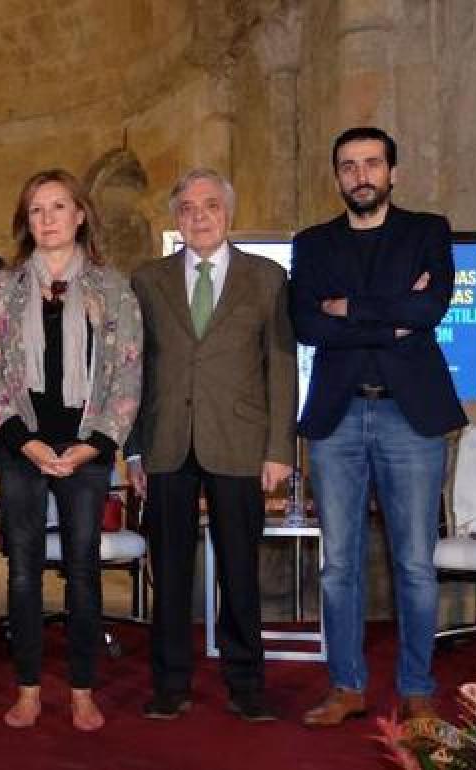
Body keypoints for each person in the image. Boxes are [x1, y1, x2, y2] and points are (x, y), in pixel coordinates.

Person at [291, 127, 466, 726]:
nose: (360, 175)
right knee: (339, 563)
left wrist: (350, 308)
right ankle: (347, 686)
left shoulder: (427, 231)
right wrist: (391, 315)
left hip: (409, 414)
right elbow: (307, 326)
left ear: (393, 172)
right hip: (337, 416)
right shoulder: (312, 243)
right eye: (348, 166)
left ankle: (417, 688)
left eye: (371, 164)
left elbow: (432, 308)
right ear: (336, 176)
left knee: (414, 562)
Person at [0, 170, 142, 731]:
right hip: (22, 449)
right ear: (28, 221)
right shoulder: (3, 287)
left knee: (84, 571)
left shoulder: (112, 287)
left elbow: (127, 377)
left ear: (80, 215)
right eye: (37, 209)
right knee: (21, 573)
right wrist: (27, 443)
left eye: (58, 207)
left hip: (86, 451)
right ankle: (27, 689)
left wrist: (93, 447)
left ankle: (82, 690)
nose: (47, 219)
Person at [127, 168, 296, 723]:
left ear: (228, 214)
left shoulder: (266, 278)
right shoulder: (148, 280)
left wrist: (279, 449)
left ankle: (246, 683)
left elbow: (281, 367)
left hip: (241, 443)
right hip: (167, 443)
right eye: (188, 209)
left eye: (210, 207)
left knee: (240, 572)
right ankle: (169, 684)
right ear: (176, 218)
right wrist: (134, 451)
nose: (198, 217)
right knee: (169, 571)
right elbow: (133, 373)